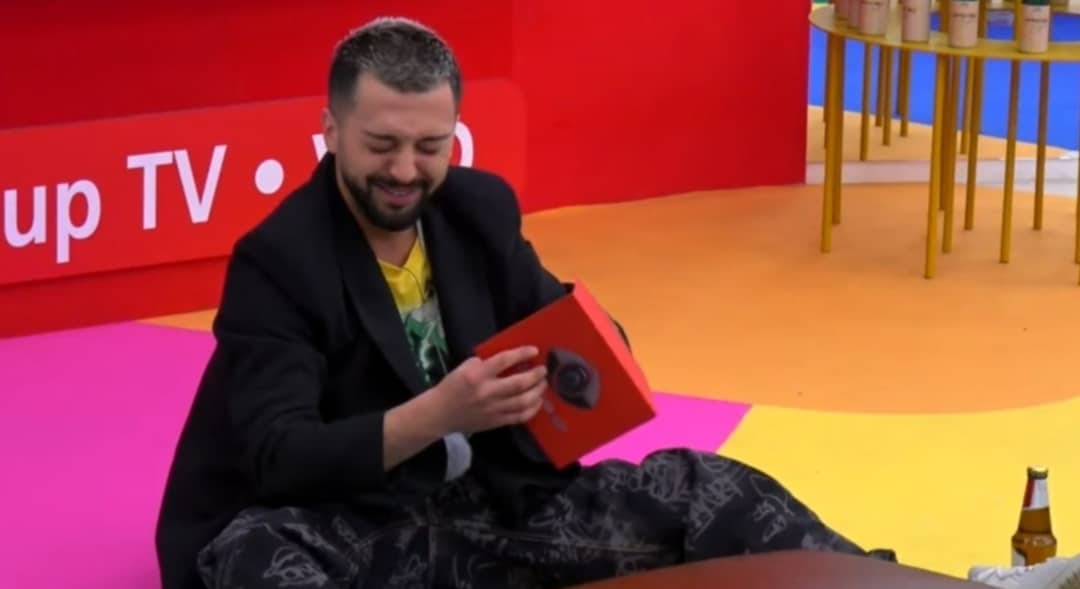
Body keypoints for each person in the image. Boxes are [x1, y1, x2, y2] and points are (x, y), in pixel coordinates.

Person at [154, 16, 894, 589]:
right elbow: (281, 459)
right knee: (257, 559)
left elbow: (569, 335)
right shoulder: (278, 260)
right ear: (331, 131)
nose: (405, 171)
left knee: (709, 486)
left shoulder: (478, 211)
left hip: (481, 505)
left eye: (430, 146)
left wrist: (588, 359)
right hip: (336, 522)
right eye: (380, 145)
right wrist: (439, 412)